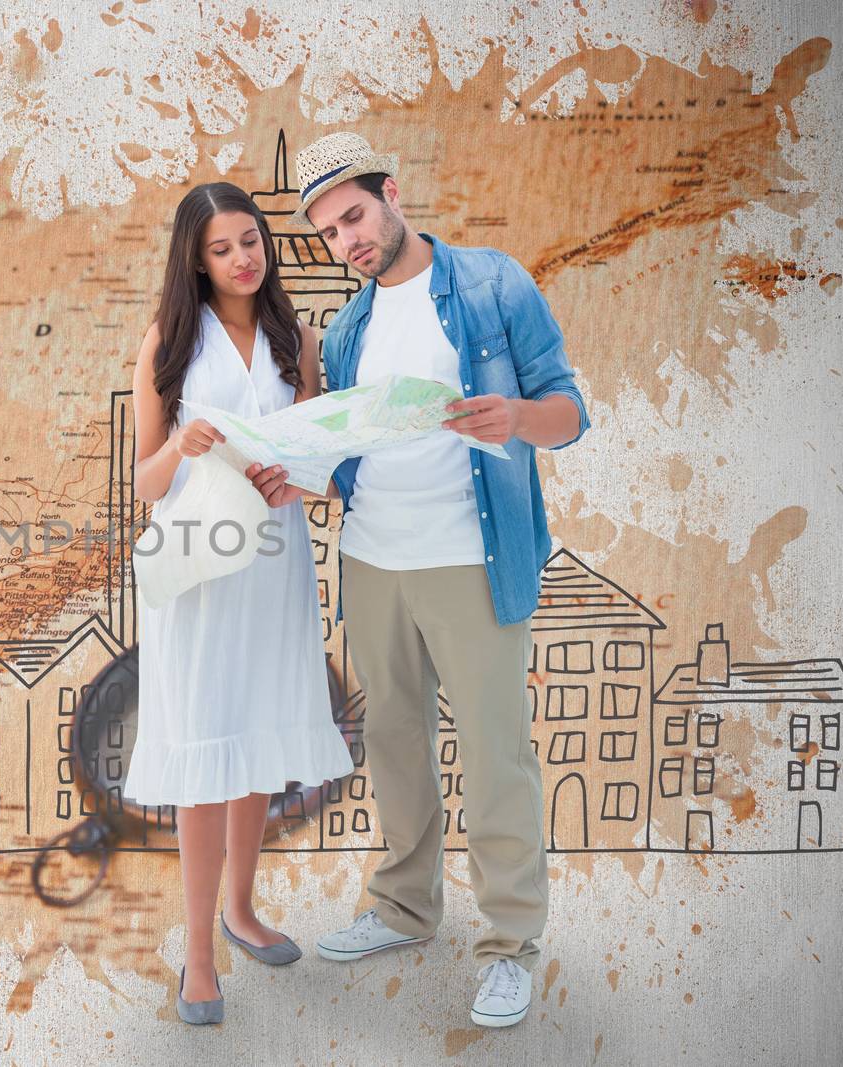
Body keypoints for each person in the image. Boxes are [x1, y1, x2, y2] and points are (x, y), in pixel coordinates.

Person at [249, 131, 590, 1029]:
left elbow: (569, 413)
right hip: (373, 558)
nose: (349, 241)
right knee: (395, 743)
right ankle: (404, 906)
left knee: (495, 752)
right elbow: (349, 443)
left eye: (355, 216)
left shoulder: (491, 284)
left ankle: (510, 942)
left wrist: (515, 415)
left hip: (469, 559)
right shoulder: (352, 325)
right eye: (329, 234)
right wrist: (299, 474)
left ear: (392, 193)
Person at [122, 181, 356, 1026]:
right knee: (204, 747)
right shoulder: (166, 344)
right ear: (195, 257)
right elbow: (145, 483)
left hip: (273, 562)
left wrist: (291, 476)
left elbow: (315, 460)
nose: (242, 258)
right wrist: (182, 444)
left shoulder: (298, 339)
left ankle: (243, 908)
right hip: (199, 571)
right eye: (222, 248)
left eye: (251, 241)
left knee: (256, 737)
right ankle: (196, 954)